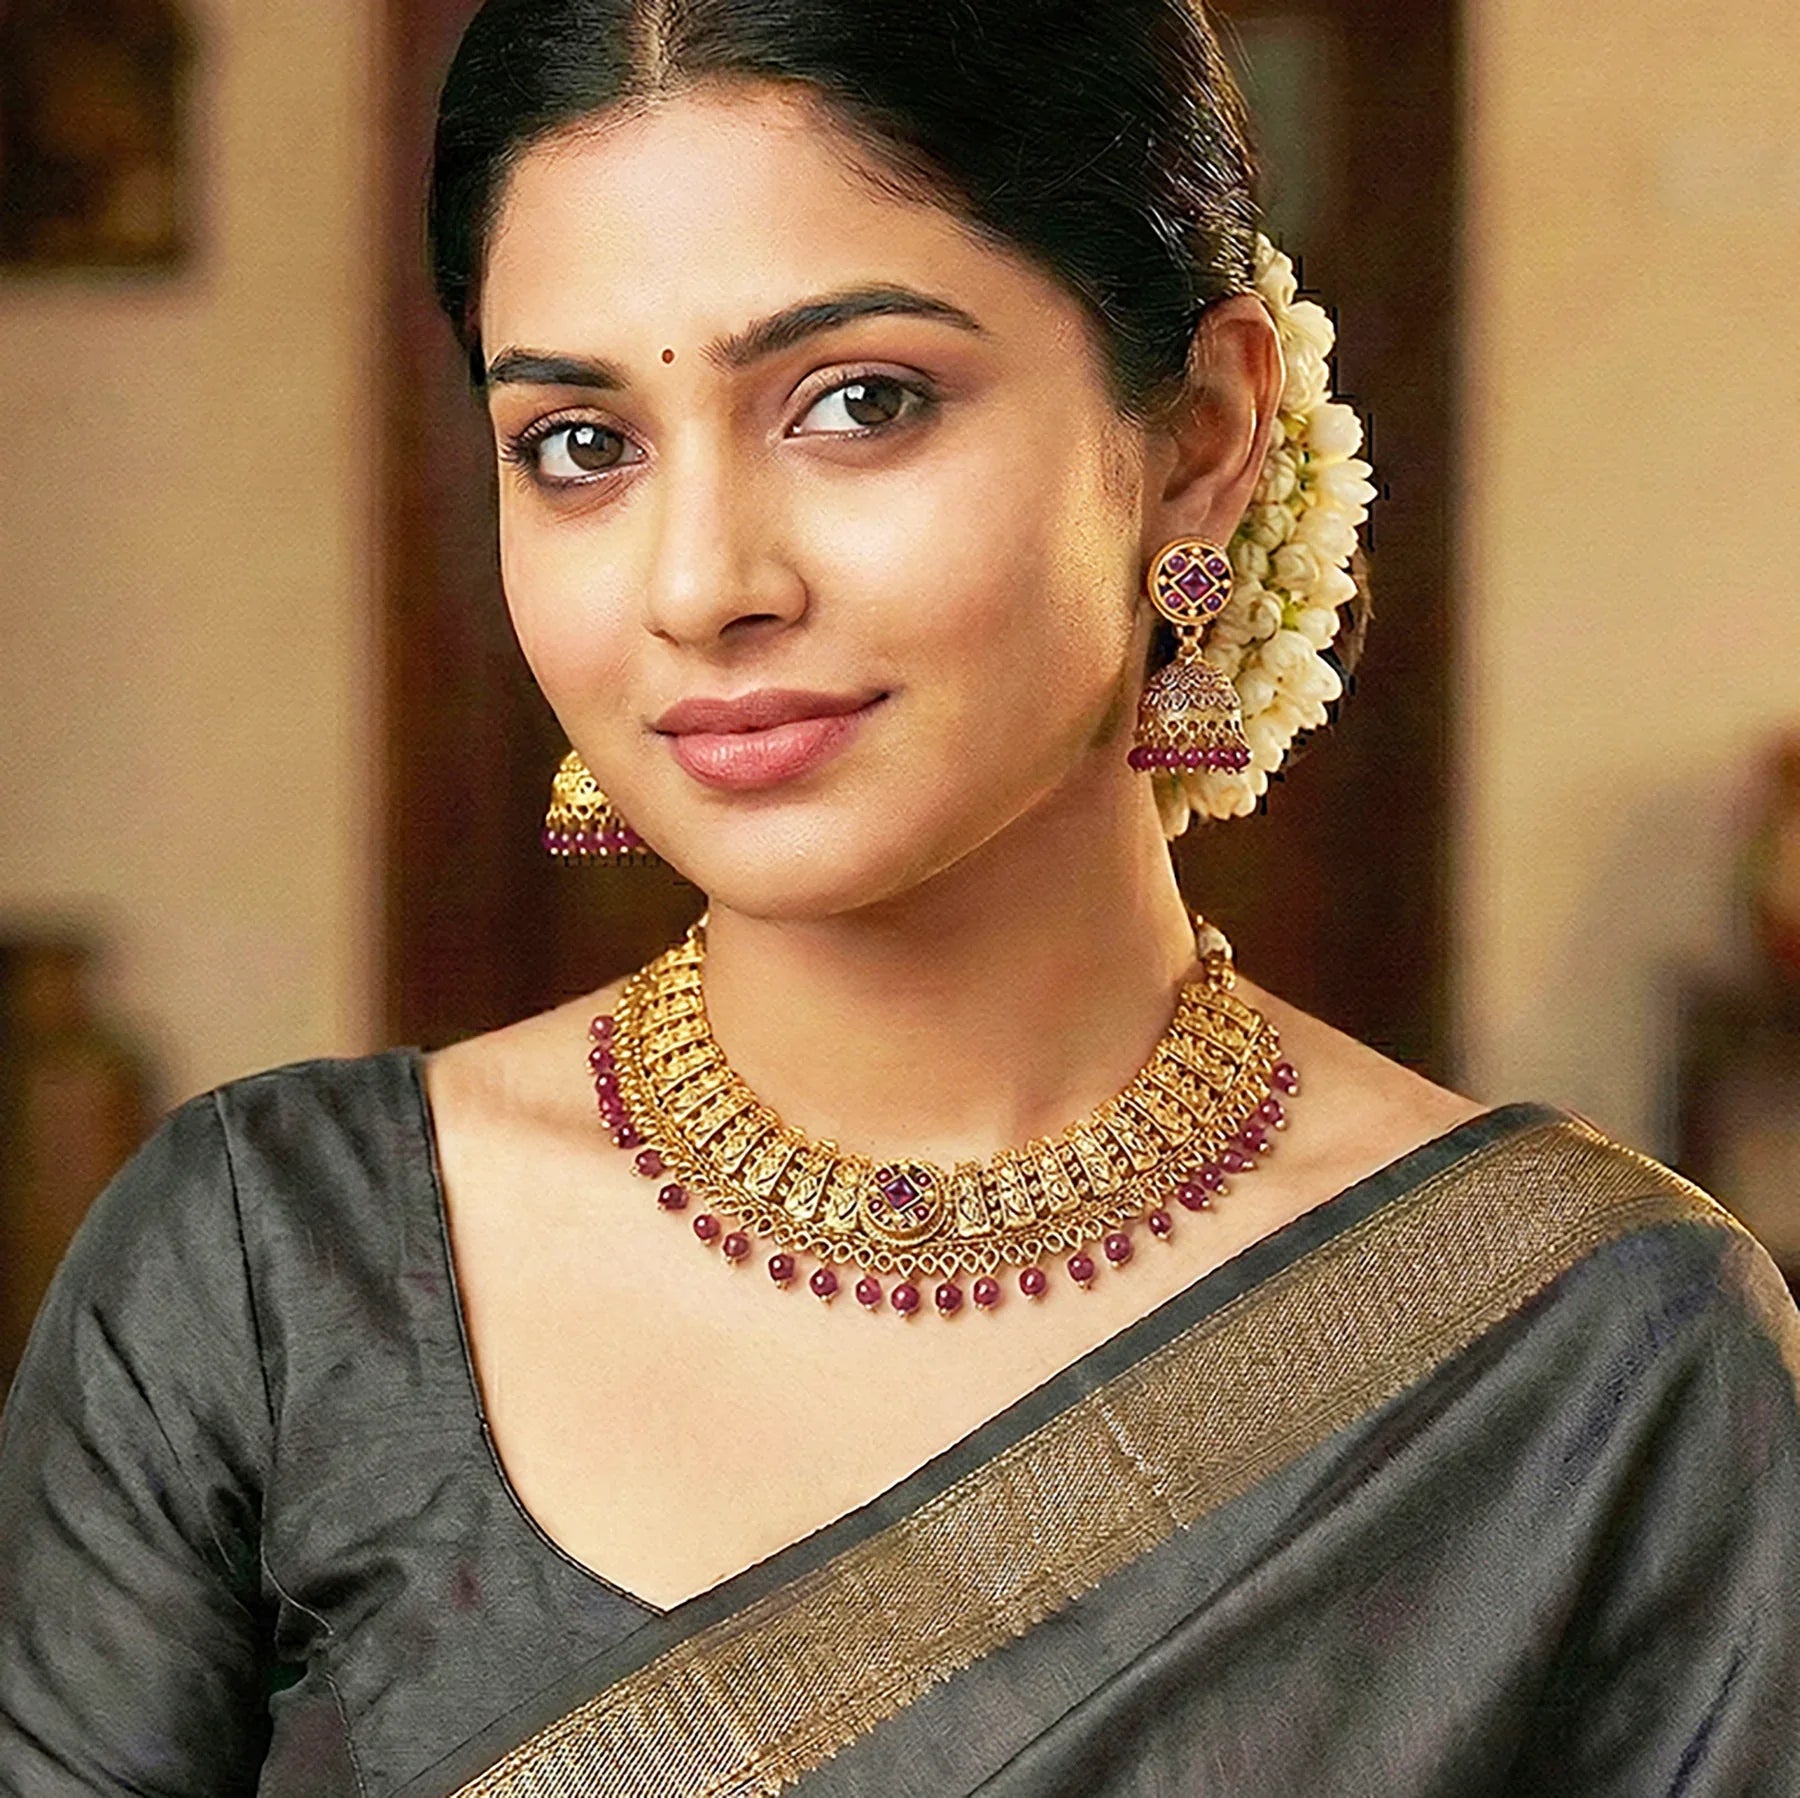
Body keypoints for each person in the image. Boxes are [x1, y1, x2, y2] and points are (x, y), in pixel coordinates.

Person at [3, 0, 1798, 1791]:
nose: (700, 581)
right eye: (578, 443)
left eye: (859, 402)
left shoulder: (1594, 1365)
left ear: (1203, 432)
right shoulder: (259, 1273)